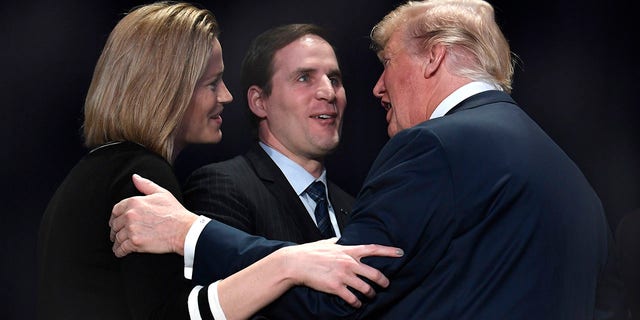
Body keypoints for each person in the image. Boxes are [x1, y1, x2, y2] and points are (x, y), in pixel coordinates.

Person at [109, 0, 615, 318]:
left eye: (386, 64)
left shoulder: (437, 148)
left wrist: (188, 234)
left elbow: (341, 291)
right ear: (257, 101)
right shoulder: (573, 182)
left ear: (434, 57)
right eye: (305, 77)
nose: (374, 87)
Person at [36, 2, 403, 320]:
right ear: (169, 88)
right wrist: (288, 264)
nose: (226, 96)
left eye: (335, 79)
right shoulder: (141, 174)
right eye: (212, 83)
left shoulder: (98, 171)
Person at [183, 23, 353, 243]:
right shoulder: (221, 188)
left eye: (334, 80)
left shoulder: (355, 209)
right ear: (259, 102)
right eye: (304, 78)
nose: (328, 92)